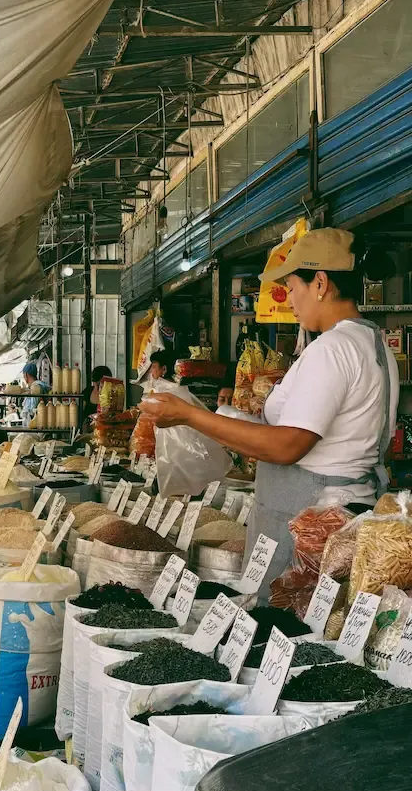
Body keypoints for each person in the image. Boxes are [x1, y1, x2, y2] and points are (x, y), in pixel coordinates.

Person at [140, 229, 399, 596]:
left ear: (320, 283)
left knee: (282, 620)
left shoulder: (333, 348)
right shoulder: (374, 343)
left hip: (311, 524)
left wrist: (189, 416)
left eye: (292, 287)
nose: (289, 300)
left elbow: (287, 446)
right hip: (343, 514)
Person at [20, 362, 46, 427]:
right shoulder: (38, 385)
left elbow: (33, 408)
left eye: (23, 374)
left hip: (36, 423)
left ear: (26, 375)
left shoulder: (35, 387)